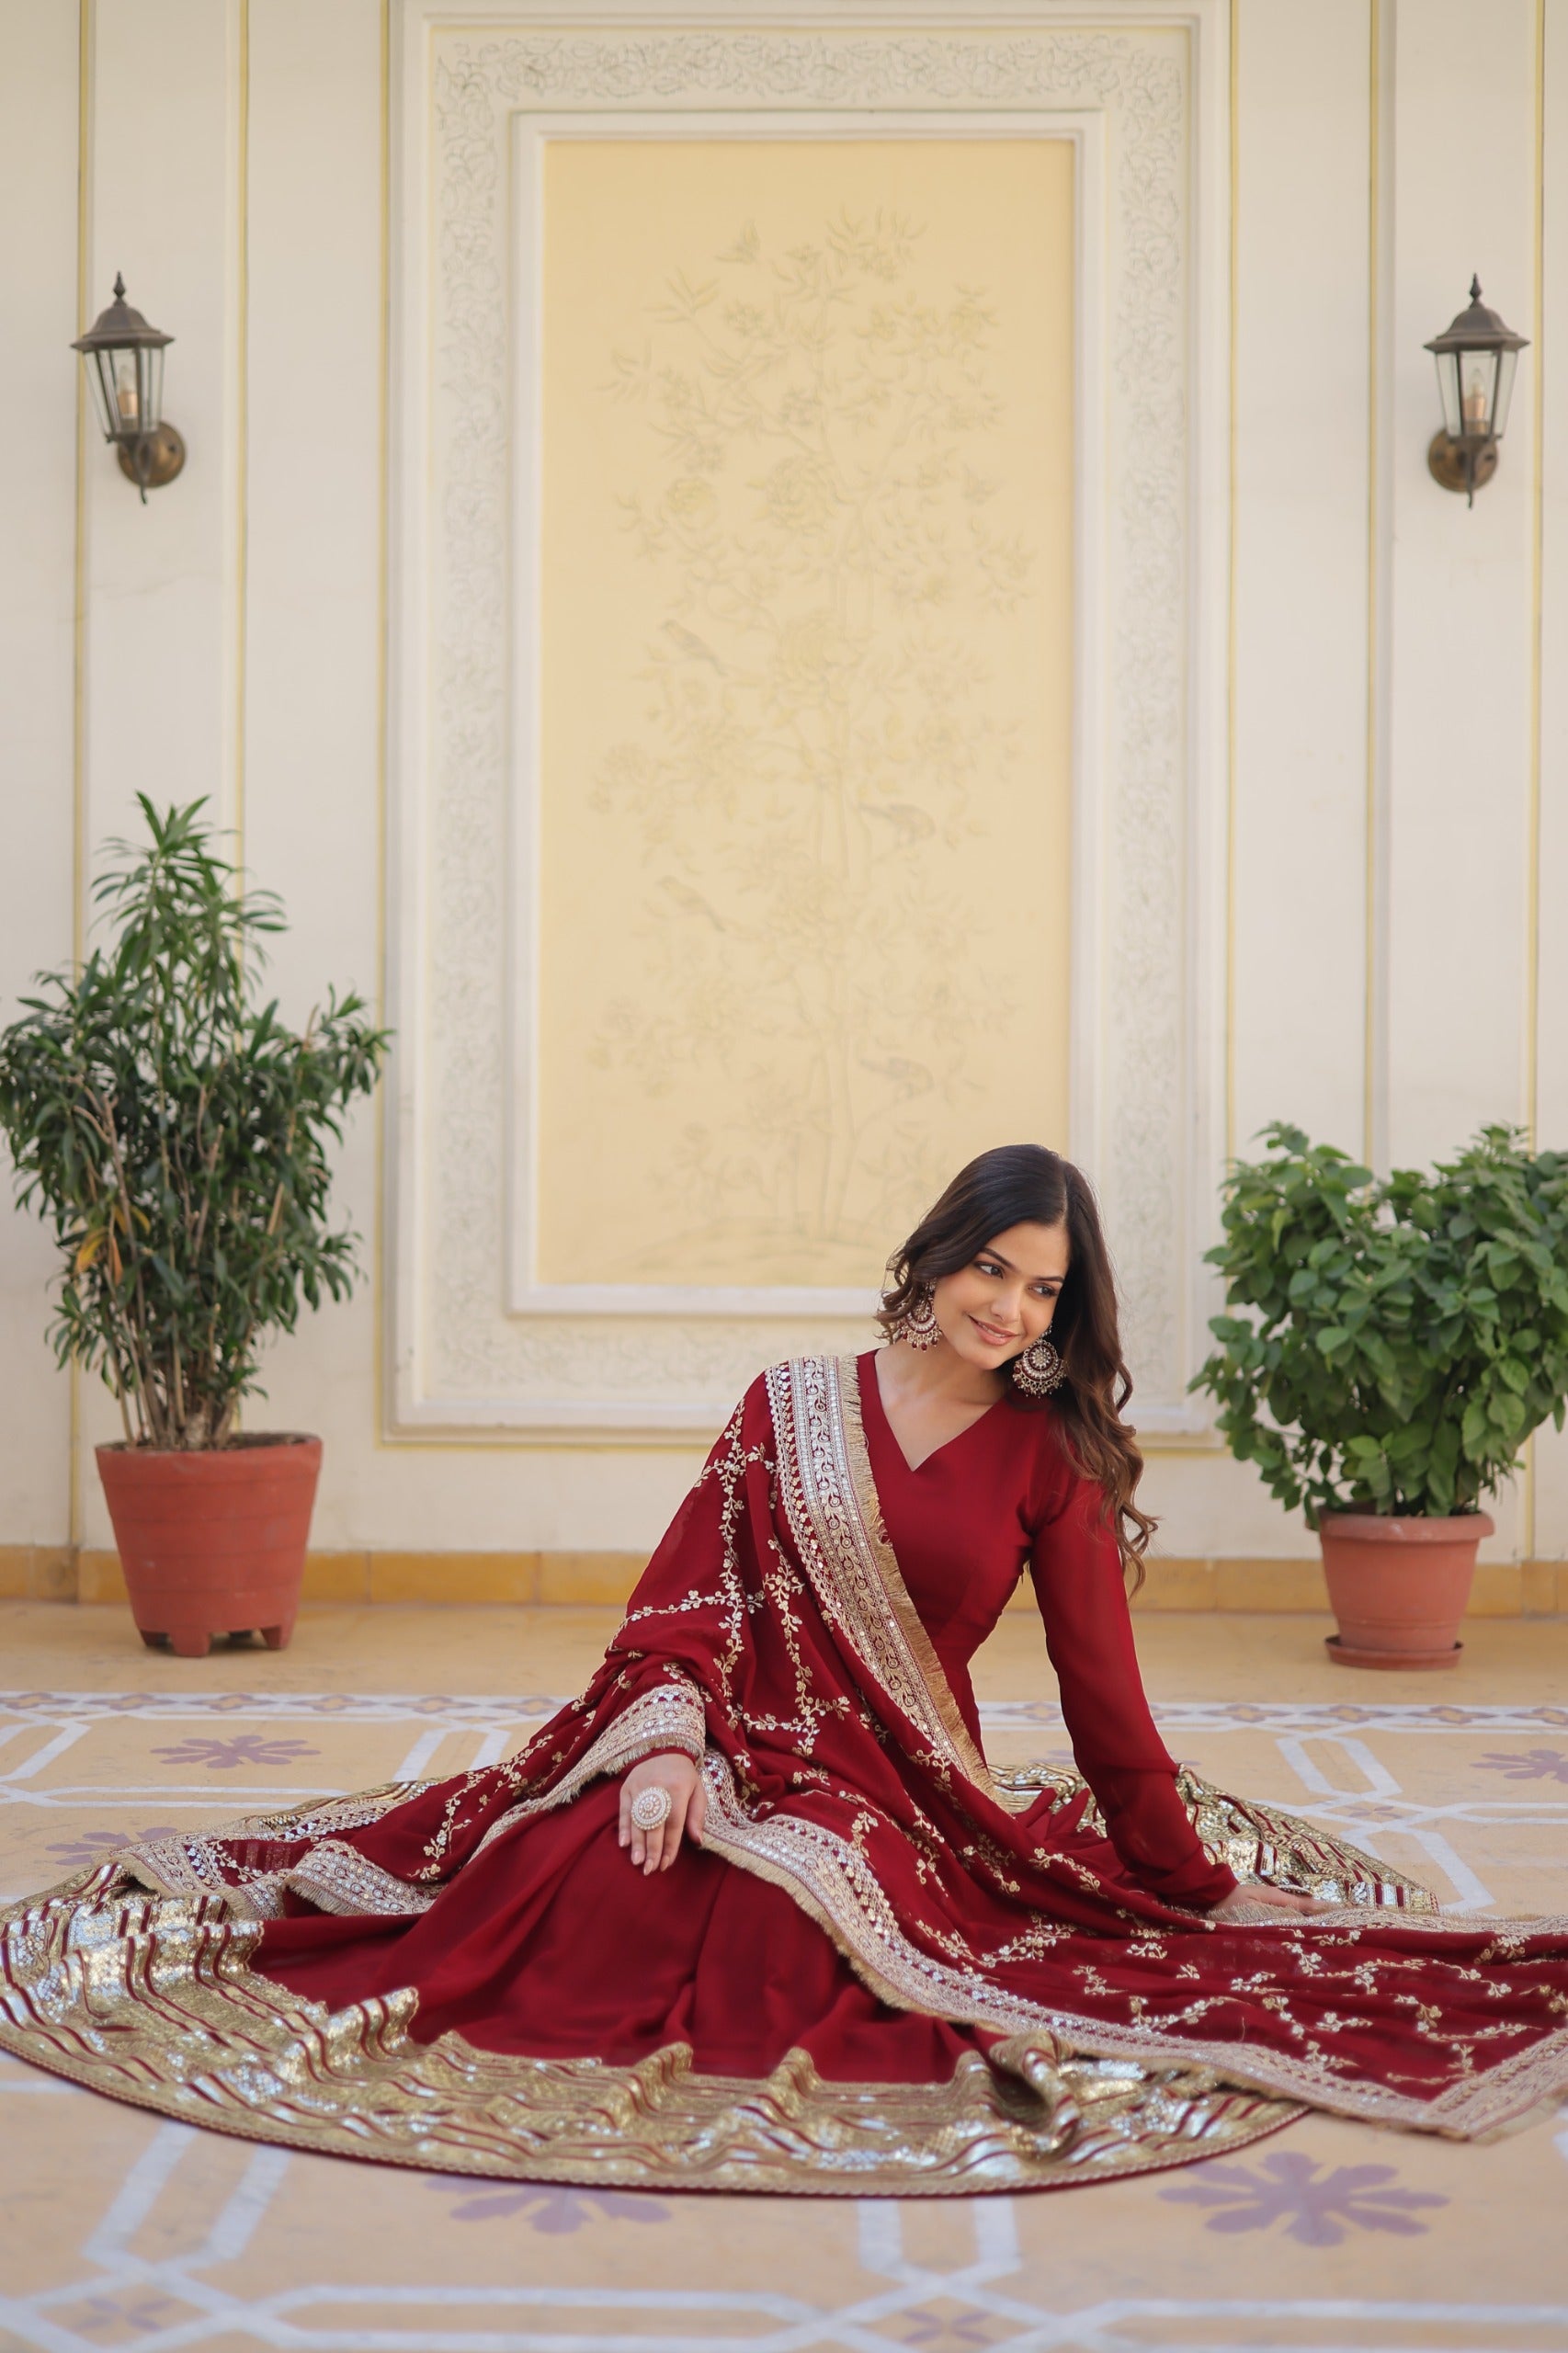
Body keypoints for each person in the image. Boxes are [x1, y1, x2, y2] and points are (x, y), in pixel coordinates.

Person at [3, 1144, 1566, 2196]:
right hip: (722, 1736)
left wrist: (1184, 1882)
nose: (1010, 1308)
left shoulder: (1050, 1455)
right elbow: (682, 1601)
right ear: (939, 1253)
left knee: (785, 1917)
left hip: (898, 1790)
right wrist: (662, 1747)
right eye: (993, 1268)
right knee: (574, 1864)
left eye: (1044, 1291)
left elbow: (1104, 1698)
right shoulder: (788, 1403)